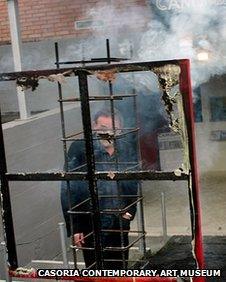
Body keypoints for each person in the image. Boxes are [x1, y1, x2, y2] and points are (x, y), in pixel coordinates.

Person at [61, 108, 138, 269]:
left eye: (112, 129)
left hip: (119, 223)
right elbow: (68, 189)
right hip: (91, 223)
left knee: (119, 271)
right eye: (103, 128)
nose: (107, 133)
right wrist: (75, 227)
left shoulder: (126, 148)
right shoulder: (80, 149)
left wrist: (129, 212)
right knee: (96, 272)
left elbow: (133, 182)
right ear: (94, 127)